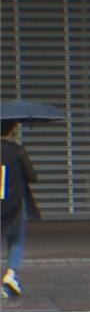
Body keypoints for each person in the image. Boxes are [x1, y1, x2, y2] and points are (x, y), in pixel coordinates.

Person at [1, 121, 40, 298]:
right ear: (12, 131)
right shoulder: (18, 151)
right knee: (15, 240)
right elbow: (32, 176)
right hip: (13, 205)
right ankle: (10, 274)